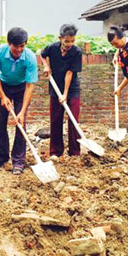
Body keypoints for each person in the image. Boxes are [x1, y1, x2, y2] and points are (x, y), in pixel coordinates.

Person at [0, 27, 38, 175]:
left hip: (21, 88)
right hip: (3, 86)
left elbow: (30, 86)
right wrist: (2, 96)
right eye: (15, 46)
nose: (18, 49)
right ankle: (2, 156)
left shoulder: (30, 58)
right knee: (0, 124)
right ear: (8, 43)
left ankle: (18, 161)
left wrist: (22, 111)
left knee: (20, 125)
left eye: (22, 46)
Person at [41, 24, 82, 157]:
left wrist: (65, 94)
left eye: (72, 41)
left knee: (73, 120)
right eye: (66, 41)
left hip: (72, 90)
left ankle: (75, 152)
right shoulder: (52, 48)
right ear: (60, 38)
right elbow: (42, 54)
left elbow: (69, 73)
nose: (69, 44)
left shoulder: (76, 52)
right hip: (55, 88)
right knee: (55, 119)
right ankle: (55, 151)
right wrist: (46, 66)